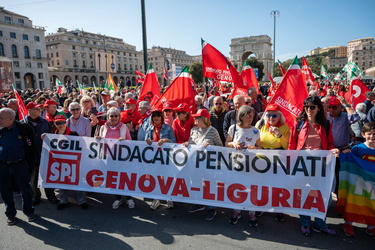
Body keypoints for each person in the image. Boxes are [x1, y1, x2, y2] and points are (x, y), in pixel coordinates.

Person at [289, 96, 339, 237]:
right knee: (303, 193)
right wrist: (291, 163)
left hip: (321, 164)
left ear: (318, 108)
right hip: (302, 164)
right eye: (306, 106)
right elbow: (292, 146)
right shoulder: (298, 124)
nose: (308, 109)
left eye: (312, 106)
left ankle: (320, 223)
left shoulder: (326, 124)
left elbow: (329, 144)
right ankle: (305, 222)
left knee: (324, 195)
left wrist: (332, 150)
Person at [184, 109, 223, 221]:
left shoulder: (213, 131)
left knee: (209, 185)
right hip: (196, 163)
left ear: (204, 119)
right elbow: (191, 142)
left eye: (197, 118)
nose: (195, 119)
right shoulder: (193, 130)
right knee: (196, 183)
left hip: (209, 164)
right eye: (195, 118)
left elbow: (220, 146)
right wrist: (187, 143)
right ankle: (199, 203)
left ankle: (212, 208)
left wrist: (210, 146)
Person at [225, 105, 261, 226]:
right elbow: (226, 144)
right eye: (248, 115)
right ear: (241, 115)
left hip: (251, 164)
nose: (251, 117)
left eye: (252, 115)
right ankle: (237, 211)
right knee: (237, 188)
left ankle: (252, 213)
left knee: (251, 188)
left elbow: (260, 147)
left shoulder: (255, 130)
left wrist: (254, 148)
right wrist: (233, 143)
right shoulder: (233, 128)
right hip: (236, 164)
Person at [0, 108, 36, 225]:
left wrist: (29, 163)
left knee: (25, 189)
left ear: (11, 119)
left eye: (1, 118)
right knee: (5, 191)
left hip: (20, 165)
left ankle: (29, 211)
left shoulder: (24, 128)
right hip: (3, 166)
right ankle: (10, 214)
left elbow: (31, 146)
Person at [255, 103, 290, 222]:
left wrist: (279, 135)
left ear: (279, 116)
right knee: (262, 185)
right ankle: (261, 206)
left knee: (276, 186)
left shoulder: (285, 128)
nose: (271, 118)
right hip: (261, 160)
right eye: (269, 116)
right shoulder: (261, 126)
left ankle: (278, 209)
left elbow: (288, 147)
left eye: (274, 115)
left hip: (277, 162)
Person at [96, 107, 135, 209]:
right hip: (109, 157)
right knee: (113, 178)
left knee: (124, 177)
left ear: (119, 117)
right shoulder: (103, 128)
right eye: (111, 116)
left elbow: (130, 142)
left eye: (115, 116)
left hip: (121, 157)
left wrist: (124, 141)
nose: (113, 118)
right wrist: (98, 139)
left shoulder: (124, 128)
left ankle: (128, 197)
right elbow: (99, 143)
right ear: (107, 117)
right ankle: (118, 198)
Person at [48, 115, 89, 210]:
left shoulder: (73, 133)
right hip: (60, 162)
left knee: (77, 181)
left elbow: (81, 146)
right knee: (62, 182)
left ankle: (82, 201)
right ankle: (63, 200)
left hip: (73, 161)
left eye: (62, 122)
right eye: (58, 123)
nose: (61, 125)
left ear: (65, 123)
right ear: (55, 124)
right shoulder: (52, 135)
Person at [342, 122, 375, 238]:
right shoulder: (357, 148)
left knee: (372, 204)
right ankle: (348, 224)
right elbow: (351, 162)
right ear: (363, 134)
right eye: (369, 134)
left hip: (373, 184)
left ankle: (371, 226)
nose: (372, 136)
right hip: (358, 183)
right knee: (354, 202)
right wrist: (346, 153)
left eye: (374, 134)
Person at [22, 102, 57, 205]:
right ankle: (35, 196)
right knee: (33, 177)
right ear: (30, 110)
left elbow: (50, 136)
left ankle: (50, 195)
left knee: (47, 175)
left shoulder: (44, 122)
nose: (39, 111)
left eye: (39, 109)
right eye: (36, 109)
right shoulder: (23, 124)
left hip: (44, 152)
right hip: (31, 154)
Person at [143, 109, 176, 210]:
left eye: (158, 115)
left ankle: (168, 197)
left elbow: (174, 141)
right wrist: (147, 141)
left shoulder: (168, 128)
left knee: (166, 178)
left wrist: (166, 140)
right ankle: (156, 198)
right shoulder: (149, 129)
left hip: (165, 157)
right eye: (154, 116)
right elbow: (145, 141)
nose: (156, 117)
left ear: (162, 117)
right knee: (154, 177)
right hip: (153, 157)